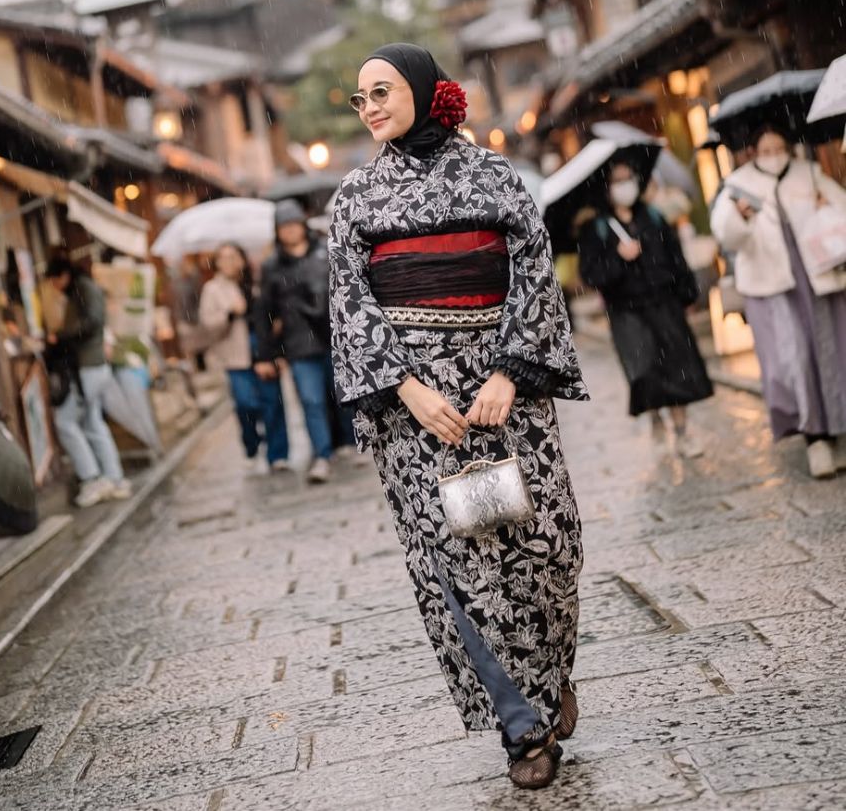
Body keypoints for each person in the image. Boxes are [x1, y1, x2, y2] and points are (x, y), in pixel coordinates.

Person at [329, 43, 586, 790]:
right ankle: (523, 725)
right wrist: (406, 388)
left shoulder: (493, 176)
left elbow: (534, 270)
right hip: (419, 412)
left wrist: (510, 368)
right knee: (458, 560)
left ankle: (551, 672)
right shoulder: (354, 199)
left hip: (506, 393)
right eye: (360, 98)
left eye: (381, 90)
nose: (370, 106)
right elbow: (350, 306)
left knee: (545, 548)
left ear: (421, 89)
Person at [711, 126, 846, 479]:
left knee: (831, 351)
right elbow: (725, 233)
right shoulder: (738, 184)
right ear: (753, 151)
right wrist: (740, 216)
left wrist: (826, 205)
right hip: (771, 286)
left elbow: (841, 210)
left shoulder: (809, 172)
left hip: (817, 277)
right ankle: (814, 436)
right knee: (793, 360)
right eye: (766, 149)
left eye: (779, 147)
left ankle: (838, 429)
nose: (774, 154)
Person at [578, 162, 713, 455]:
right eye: (618, 181)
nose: (625, 185)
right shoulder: (597, 228)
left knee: (677, 366)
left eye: (629, 178)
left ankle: (682, 431)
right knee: (644, 370)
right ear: (607, 187)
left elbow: (675, 257)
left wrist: (687, 292)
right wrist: (617, 258)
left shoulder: (652, 216)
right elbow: (590, 275)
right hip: (626, 311)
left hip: (663, 303)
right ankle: (656, 419)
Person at [256, 200, 354, 483]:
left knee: (341, 395)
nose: (289, 231)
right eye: (283, 227)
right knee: (311, 400)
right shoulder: (272, 266)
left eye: (293, 224)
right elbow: (264, 312)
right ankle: (322, 454)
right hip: (298, 344)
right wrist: (267, 353)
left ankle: (349, 442)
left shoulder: (326, 251)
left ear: (303, 224)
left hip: (335, 338)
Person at [199, 243, 290, 474]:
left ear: (242, 259)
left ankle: (277, 454)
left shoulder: (257, 282)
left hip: (264, 350)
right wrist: (230, 313)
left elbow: (274, 315)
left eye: (234, 257)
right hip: (236, 357)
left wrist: (278, 349)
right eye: (224, 258)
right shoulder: (213, 289)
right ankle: (252, 443)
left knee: (273, 404)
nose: (230, 262)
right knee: (245, 403)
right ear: (217, 262)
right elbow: (208, 326)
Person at [47, 256, 130, 507]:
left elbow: (92, 321)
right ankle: (114, 478)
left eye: (54, 279)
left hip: (88, 366)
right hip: (91, 365)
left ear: (63, 275)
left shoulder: (83, 288)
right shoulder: (82, 288)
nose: (53, 285)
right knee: (93, 422)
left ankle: (92, 478)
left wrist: (61, 335)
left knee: (65, 421)